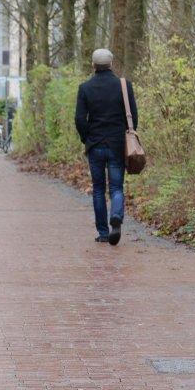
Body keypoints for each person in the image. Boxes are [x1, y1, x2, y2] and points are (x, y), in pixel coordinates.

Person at [74, 48, 137, 246]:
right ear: (111, 64)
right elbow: (133, 117)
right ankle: (116, 215)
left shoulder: (85, 88)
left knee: (99, 189)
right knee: (117, 186)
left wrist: (87, 138)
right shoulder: (124, 86)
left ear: (93, 65)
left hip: (95, 144)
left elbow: (79, 119)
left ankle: (102, 232)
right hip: (118, 144)